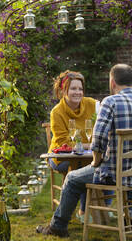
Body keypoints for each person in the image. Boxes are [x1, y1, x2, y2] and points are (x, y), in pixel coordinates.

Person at [37, 64, 132, 237]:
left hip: (114, 173)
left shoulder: (110, 102)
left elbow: (98, 139)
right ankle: (130, 218)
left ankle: (58, 227)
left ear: (113, 82)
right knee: (108, 170)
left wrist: (96, 161)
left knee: (72, 178)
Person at [47, 70, 99, 222]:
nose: (78, 92)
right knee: (83, 168)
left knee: (90, 166)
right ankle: (83, 211)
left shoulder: (91, 105)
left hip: (87, 155)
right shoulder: (57, 112)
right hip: (61, 157)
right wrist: (89, 144)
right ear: (64, 91)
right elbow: (65, 143)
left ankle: (87, 210)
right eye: (73, 89)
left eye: (80, 89)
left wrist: (89, 145)